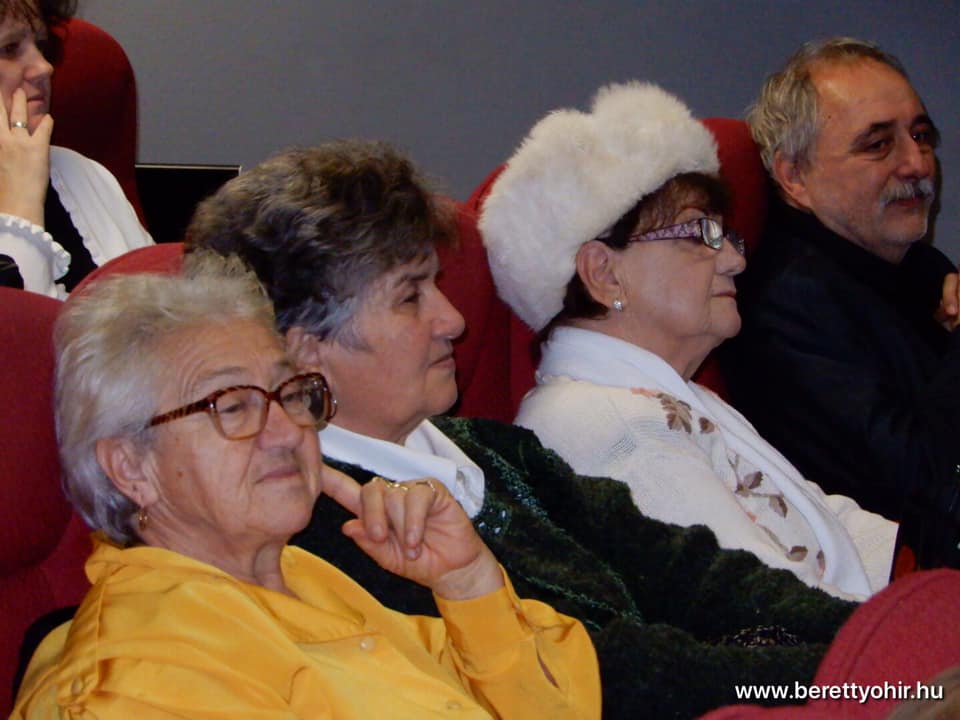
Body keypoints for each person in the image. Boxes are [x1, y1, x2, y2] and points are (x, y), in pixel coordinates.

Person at [186, 140, 861, 718]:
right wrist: (857, 677)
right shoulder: (327, 532)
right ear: (305, 353)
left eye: (436, 284)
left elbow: (694, 571)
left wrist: (872, 641)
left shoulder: (494, 450)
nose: (453, 320)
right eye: (410, 297)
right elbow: (611, 675)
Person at [11, 252, 600, 719]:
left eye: (289, 393)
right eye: (232, 406)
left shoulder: (303, 577)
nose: (287, 430)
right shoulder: (137, 678)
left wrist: (467, 582)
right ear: (131, 467)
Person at [478, 80, 896, 601]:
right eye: (700, 234)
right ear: (604, 273)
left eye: (726, 236)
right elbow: (771, 610)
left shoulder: (674, 397)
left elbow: (833, 529)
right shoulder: (611, 424)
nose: (735, 260)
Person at [720, 38, 960, 536]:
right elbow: (928, 490)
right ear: (794, 176)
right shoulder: (788, 304)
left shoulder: (911, 262)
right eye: (878, 145)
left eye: (920, 136)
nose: (917, 164)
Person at [0, 0, 151, 297]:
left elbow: (162, 311)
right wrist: (22, 203)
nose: (44, 68)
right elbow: (17, 322)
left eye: (41, 46)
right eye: (9, 49)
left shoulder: (84, 172)